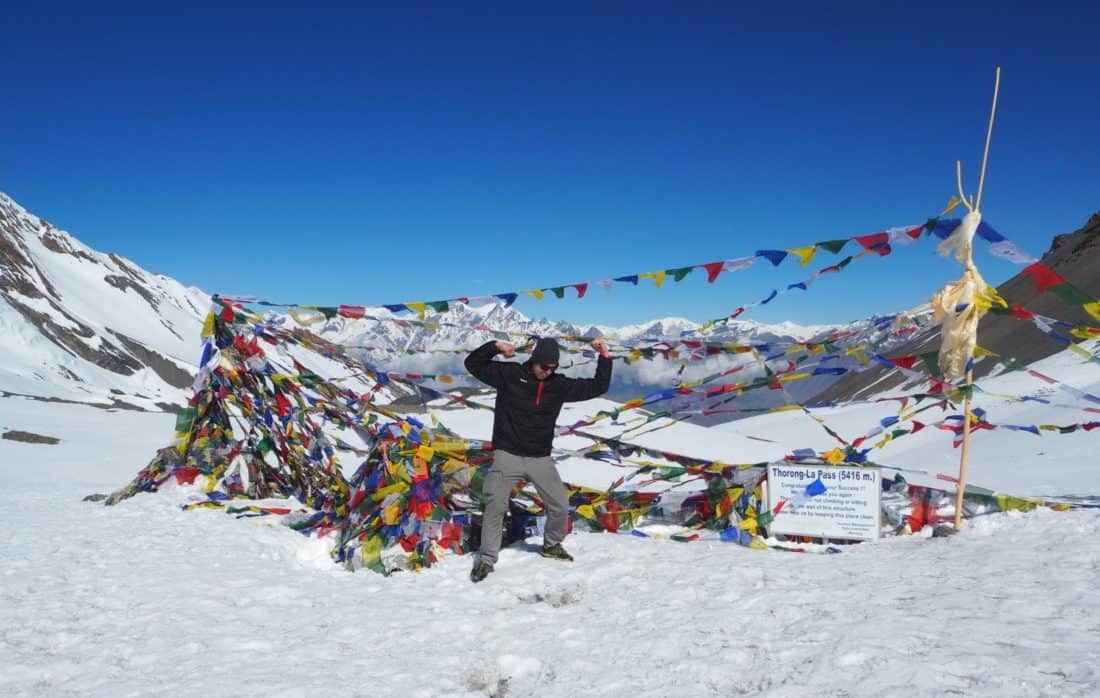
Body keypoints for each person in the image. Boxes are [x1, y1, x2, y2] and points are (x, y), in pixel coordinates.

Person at [464, 336, 612, 582]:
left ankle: (552, 544)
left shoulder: (559, 385)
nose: (548, 372)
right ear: (534, 360)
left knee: (560, 505)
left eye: (553, 368)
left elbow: (598, 386)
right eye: (544, 366)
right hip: (507, 454)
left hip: (540, 458)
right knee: (495, 505)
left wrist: (604, 357)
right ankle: (487, 560)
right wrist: (495, 347)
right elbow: (473, 364)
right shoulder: (510, 375)